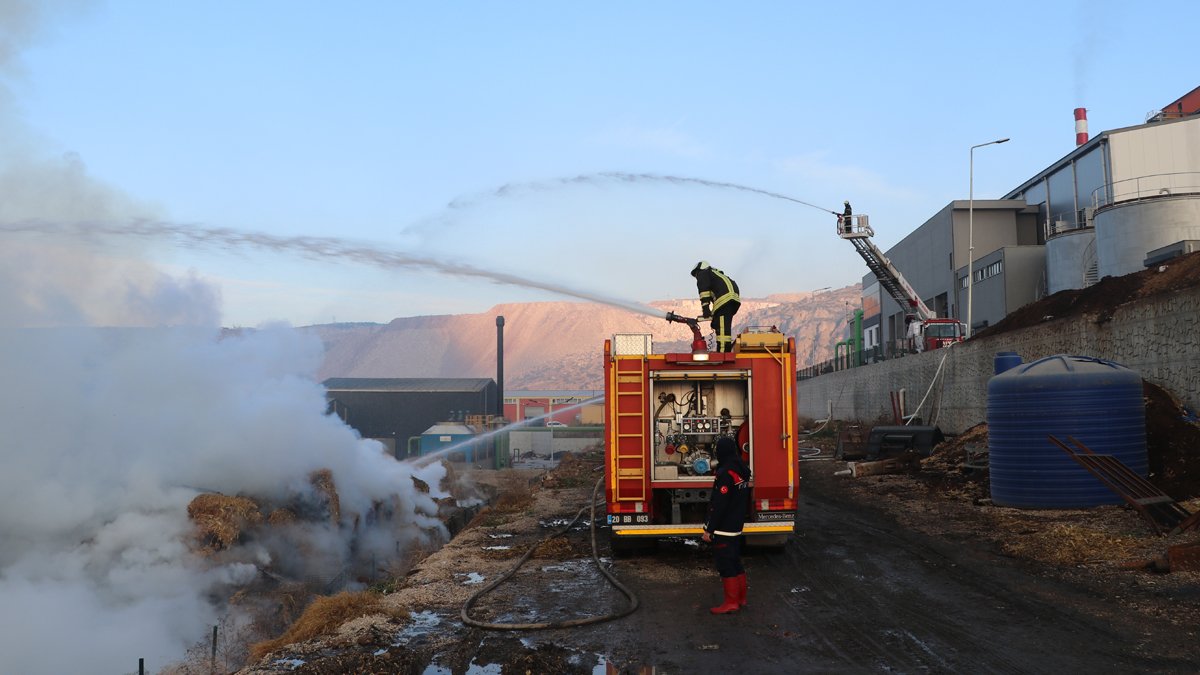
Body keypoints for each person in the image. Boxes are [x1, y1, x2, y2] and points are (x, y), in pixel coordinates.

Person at [701, 436, 752, 614]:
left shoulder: (725, 473)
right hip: (736, 526)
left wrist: (709, 529)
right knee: (735, 562)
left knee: (726, 565)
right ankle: (741, 598)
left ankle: (731, 602)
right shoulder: (741, 471)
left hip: (724, 527)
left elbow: (719, 505)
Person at [690, 261, 741, 352]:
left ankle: (723, 352)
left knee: (722, 329)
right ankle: (726, 349)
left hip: (724, 301)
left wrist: (705, 309)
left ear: (699, 270)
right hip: (733, 301)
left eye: (696, 274)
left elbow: (704, 292)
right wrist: (715, 318)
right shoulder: (716, 274)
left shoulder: (703, 273)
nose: (697, 277)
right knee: (723, 325)